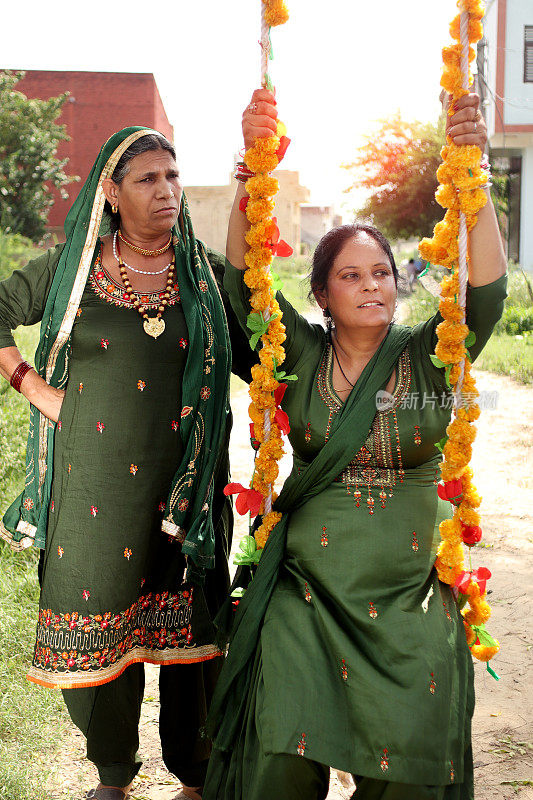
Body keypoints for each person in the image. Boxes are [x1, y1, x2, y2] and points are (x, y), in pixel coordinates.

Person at [203, 89, 507, 800]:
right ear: (322, 294)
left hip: (408, 599)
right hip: (305, 594)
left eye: (380, 273)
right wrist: (252, 174)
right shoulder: (297, 353)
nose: (371, 285)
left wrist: (473, 176)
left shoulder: (434, 355)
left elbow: (485, 293)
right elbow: (238, 292)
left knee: (406, 764)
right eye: (351, 275)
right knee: (281, 753)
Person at [0, 127, 253, 800]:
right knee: (96, 630)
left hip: (184, 494)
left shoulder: (204, 276)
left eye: (172, 176)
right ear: (111, 193)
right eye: (147, 179)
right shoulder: (71, 269)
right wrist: (32, 384)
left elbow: (265, 350)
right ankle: (112, 773)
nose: (166, 190)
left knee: (191, 640)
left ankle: (196, 778)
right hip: (94, 490)